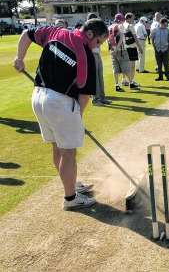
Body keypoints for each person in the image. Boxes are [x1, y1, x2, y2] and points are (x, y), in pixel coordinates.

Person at [13, 18, 109, 210]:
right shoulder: (86, 55)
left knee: (57, 147)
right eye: (98, 42)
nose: (97, 46)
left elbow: (26, 35)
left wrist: (19, 58)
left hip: (38, 97)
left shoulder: (55, 32)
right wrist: (77, 119)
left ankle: (71, 185)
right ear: (90, 34)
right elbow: (84, 95)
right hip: (59, 102)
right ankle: (70, 198)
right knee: (68, 152)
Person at [108, 13, 139, 92]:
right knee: (126, 68)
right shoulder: (120, 26)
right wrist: (117, 48)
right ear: (121, 20)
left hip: (112, 51)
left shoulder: (110, 27)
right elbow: (121, 38)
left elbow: (108, 40)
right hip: (121, 50)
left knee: (115, 69)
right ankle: (131, 83)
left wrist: (112, 49)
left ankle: (117, 85)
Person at [88, 13, 111, 106]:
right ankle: (95, 99)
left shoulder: (96, 30)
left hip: (97, 54)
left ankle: (102, 97)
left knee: (100, 76)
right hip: (91, 55)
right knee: (95, 78)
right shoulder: (87, 31)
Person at [122, 13, 140, 88]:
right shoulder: (131, 26)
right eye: (132, 18)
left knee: (125, 65)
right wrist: (140, 47)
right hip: (132, 47)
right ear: (128, 18)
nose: (133, 20)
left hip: (124, 48)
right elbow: (135, 38)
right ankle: (131, 81)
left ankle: (124, 80)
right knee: (132, 66)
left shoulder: (122, 25)